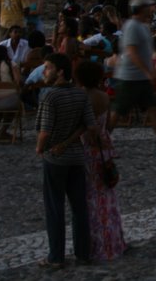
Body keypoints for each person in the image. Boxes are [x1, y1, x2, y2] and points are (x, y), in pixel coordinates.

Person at [35, 53, 96, 269]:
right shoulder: (81, 95)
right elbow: (90, 125)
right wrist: (70, 140)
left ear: (60, 71)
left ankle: (56, 256)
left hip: (55, 158)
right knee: (79, 207)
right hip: (77, 158)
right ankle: (83, 253)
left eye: (48, 67)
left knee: (55, 207)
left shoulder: (50, 97)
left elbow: (45, 131)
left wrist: (40, 148)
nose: (45, 72)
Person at [109, 0, 156, 155]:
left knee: (154, 110)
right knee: (118, 111)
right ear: (141, 9)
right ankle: (102, 143)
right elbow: (132, 52)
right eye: (148, 7)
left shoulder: (142, 26)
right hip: (130, 77)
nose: (151, 9)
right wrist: (149, 72)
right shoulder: (133, 26)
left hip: (140, 77)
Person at [75, 60, 126, 262]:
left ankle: (93, 244)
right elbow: (110, 123)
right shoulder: (104, 97)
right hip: (103, 149)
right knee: (106, 197)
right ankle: (113, 241)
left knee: (88, 199)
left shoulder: (81, 98)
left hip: (85, 149)